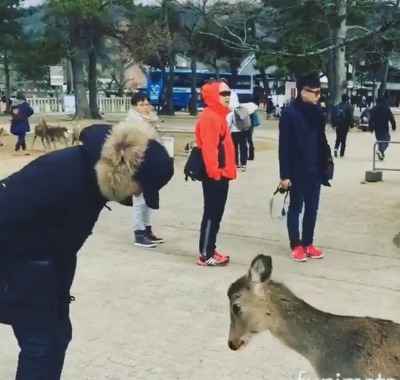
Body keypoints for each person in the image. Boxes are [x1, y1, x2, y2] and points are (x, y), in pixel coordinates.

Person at [0, 119, 174, 380]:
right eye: (141, 189)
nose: (138, 196)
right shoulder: (59, 176)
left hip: (45, 269)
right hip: (24, 268)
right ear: (127, 174)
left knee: (56, 337)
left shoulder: (94, 176)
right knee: (43, 343)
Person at [278, 72, 333, 262]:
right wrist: (284, 175)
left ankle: (308, 242)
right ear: (302, 92)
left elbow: (321, 139)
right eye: (314, 92)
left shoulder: (317, 112)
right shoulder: (289, 114)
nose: (318, 96)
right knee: (295, 208)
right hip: (296, 169)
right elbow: (283, 146)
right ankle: (296, 245)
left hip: (315, 169)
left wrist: (325, 163)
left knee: (312, 208)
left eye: (320, 93)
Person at [195, 80, 237, 266]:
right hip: (215, 176)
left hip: (221, 174)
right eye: (223, 94)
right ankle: (206, 253)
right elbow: (209, 149)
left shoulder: (218, 116)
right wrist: (216, 173)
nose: (227, 97)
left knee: (215, 213)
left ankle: (210, 249)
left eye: (228, 94)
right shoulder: (210, 117)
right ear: (213, 96)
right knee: (212, 213)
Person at [126, 92, 164, 248]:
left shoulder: (150, 120)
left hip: (150, 163)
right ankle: (138, 232)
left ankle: (147, 228)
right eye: (141, 104)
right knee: (139, 199)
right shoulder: (132, 123)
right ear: (134, 106)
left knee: (148, 198)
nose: (145, 107)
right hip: (138, 164)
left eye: (147, 104)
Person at [369, 96, 396, 160]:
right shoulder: (386, 108)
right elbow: (391, 117)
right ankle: (381, 152)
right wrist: (393, 125)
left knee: (379, 141)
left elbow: (371, 119)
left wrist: (370, 128)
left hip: (377, 128)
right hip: (384, 128)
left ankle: (381, 155)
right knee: (386, 141)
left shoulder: (374, 109)